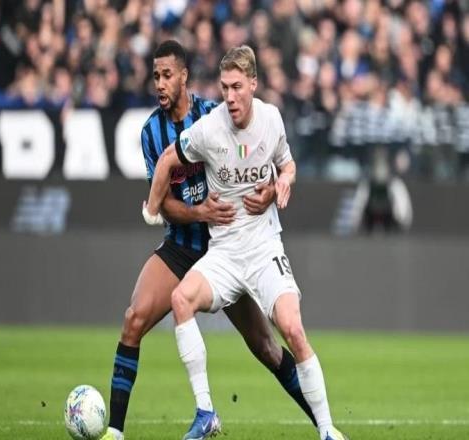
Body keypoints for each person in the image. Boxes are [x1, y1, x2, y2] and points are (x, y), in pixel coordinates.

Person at [101, 40, 318, 440]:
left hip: (227, 246)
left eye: (167, 75)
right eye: (155, 76)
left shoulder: (214, 114)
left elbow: (261, 163)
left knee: (267, 348)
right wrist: (198, 212)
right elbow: (164, 203)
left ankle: (324, 424)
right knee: (134, 320)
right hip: (183, 245)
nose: (160, 84)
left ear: (184, 77)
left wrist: (271, 190)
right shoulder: (151, 133)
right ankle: (114, 431)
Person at [143, 45, 348, 440]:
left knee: (292, 329)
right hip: (224, 253)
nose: (231, 97)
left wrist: (281, 183)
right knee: (181, 300)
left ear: (253, 84)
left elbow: (288, 164)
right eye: (224, 88)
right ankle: (205, 412)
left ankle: (326, 430)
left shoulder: (271, 120)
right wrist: (152, 208)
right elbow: (168, 159)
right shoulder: (209, 128)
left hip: (263, 249)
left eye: (237, 87)